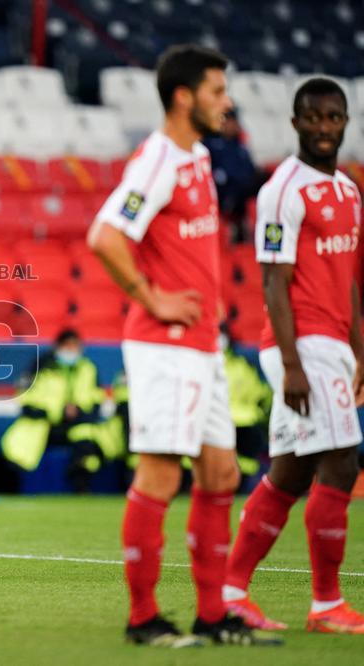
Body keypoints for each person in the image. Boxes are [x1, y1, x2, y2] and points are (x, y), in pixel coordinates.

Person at [88, 45, 278, 646]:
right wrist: (153, 297)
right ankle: (143, 619)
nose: (228, 102)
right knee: (161, 476)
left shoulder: (197, 157)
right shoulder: (160, 159)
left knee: (220, 474)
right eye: (217, 91)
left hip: (202, 346)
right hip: (165, 345)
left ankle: (211, 615)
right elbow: (105, 235)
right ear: (183, 96)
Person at [224, 78, 364, 634]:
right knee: (344, 460)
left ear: (346, 121)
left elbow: (351, 281)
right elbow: (274, 281)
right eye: (313, 118)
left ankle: (231, 592)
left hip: (334, 346)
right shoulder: (284, 190)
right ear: (295, 122)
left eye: (333, 118)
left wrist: (360, 350)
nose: (324, 128)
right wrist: (291, 364)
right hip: (300, 343)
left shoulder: (351, 193)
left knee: (289, 473)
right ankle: (327, 604)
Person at [2, 329, 109, 492]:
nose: (71, 351)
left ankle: (81, 486)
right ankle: (21, 489)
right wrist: (59, 411)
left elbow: (96, 400)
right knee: (21, 446)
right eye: (68, 346)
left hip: (78, 423)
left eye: (75, 346)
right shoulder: (42, 366)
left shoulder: (88, 368)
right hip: (45, 422)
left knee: (88, 440)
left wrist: (78, 411)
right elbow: (26, 402)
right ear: (58, 346)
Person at [202, 109, 264, 242]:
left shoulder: (239, 146)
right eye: (229, 121)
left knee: (266, 183)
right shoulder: (210, 144)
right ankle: (238, 228)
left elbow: (250, 168)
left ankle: (257, 230)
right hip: (224, 191)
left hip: (244, 187)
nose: (233, 125)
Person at [219, 328, 271, 480]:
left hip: (246, 420)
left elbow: (263, 391)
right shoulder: (206, 361)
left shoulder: (245, 361)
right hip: (227, 419)